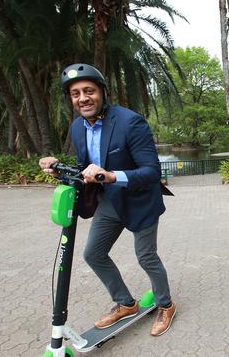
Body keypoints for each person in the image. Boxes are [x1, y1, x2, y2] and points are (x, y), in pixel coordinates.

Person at [39, 63, 176, 336]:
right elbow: (84, 169)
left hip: (139, 201)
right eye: (76, 94)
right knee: (94, 254)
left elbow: (151, 172)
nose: (83, 98)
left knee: (146, 256)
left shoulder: (130, 122)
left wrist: (111, 176)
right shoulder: (78, 128)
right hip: (108, 202)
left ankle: (166, 305)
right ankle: (125, 303)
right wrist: (58, 169)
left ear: (102, 91)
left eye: (88, 90)